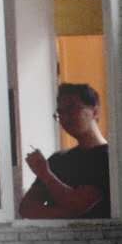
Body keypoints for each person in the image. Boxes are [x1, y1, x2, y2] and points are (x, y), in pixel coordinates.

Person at [19, 83, 111, 219]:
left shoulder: (109, 159)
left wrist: (45, 174)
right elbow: (26, 209)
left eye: (71, 109)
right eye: (60, 113)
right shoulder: (57, 160)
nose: (65, 118)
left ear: (95, 112)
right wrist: (68, 214)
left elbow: (77, 204)